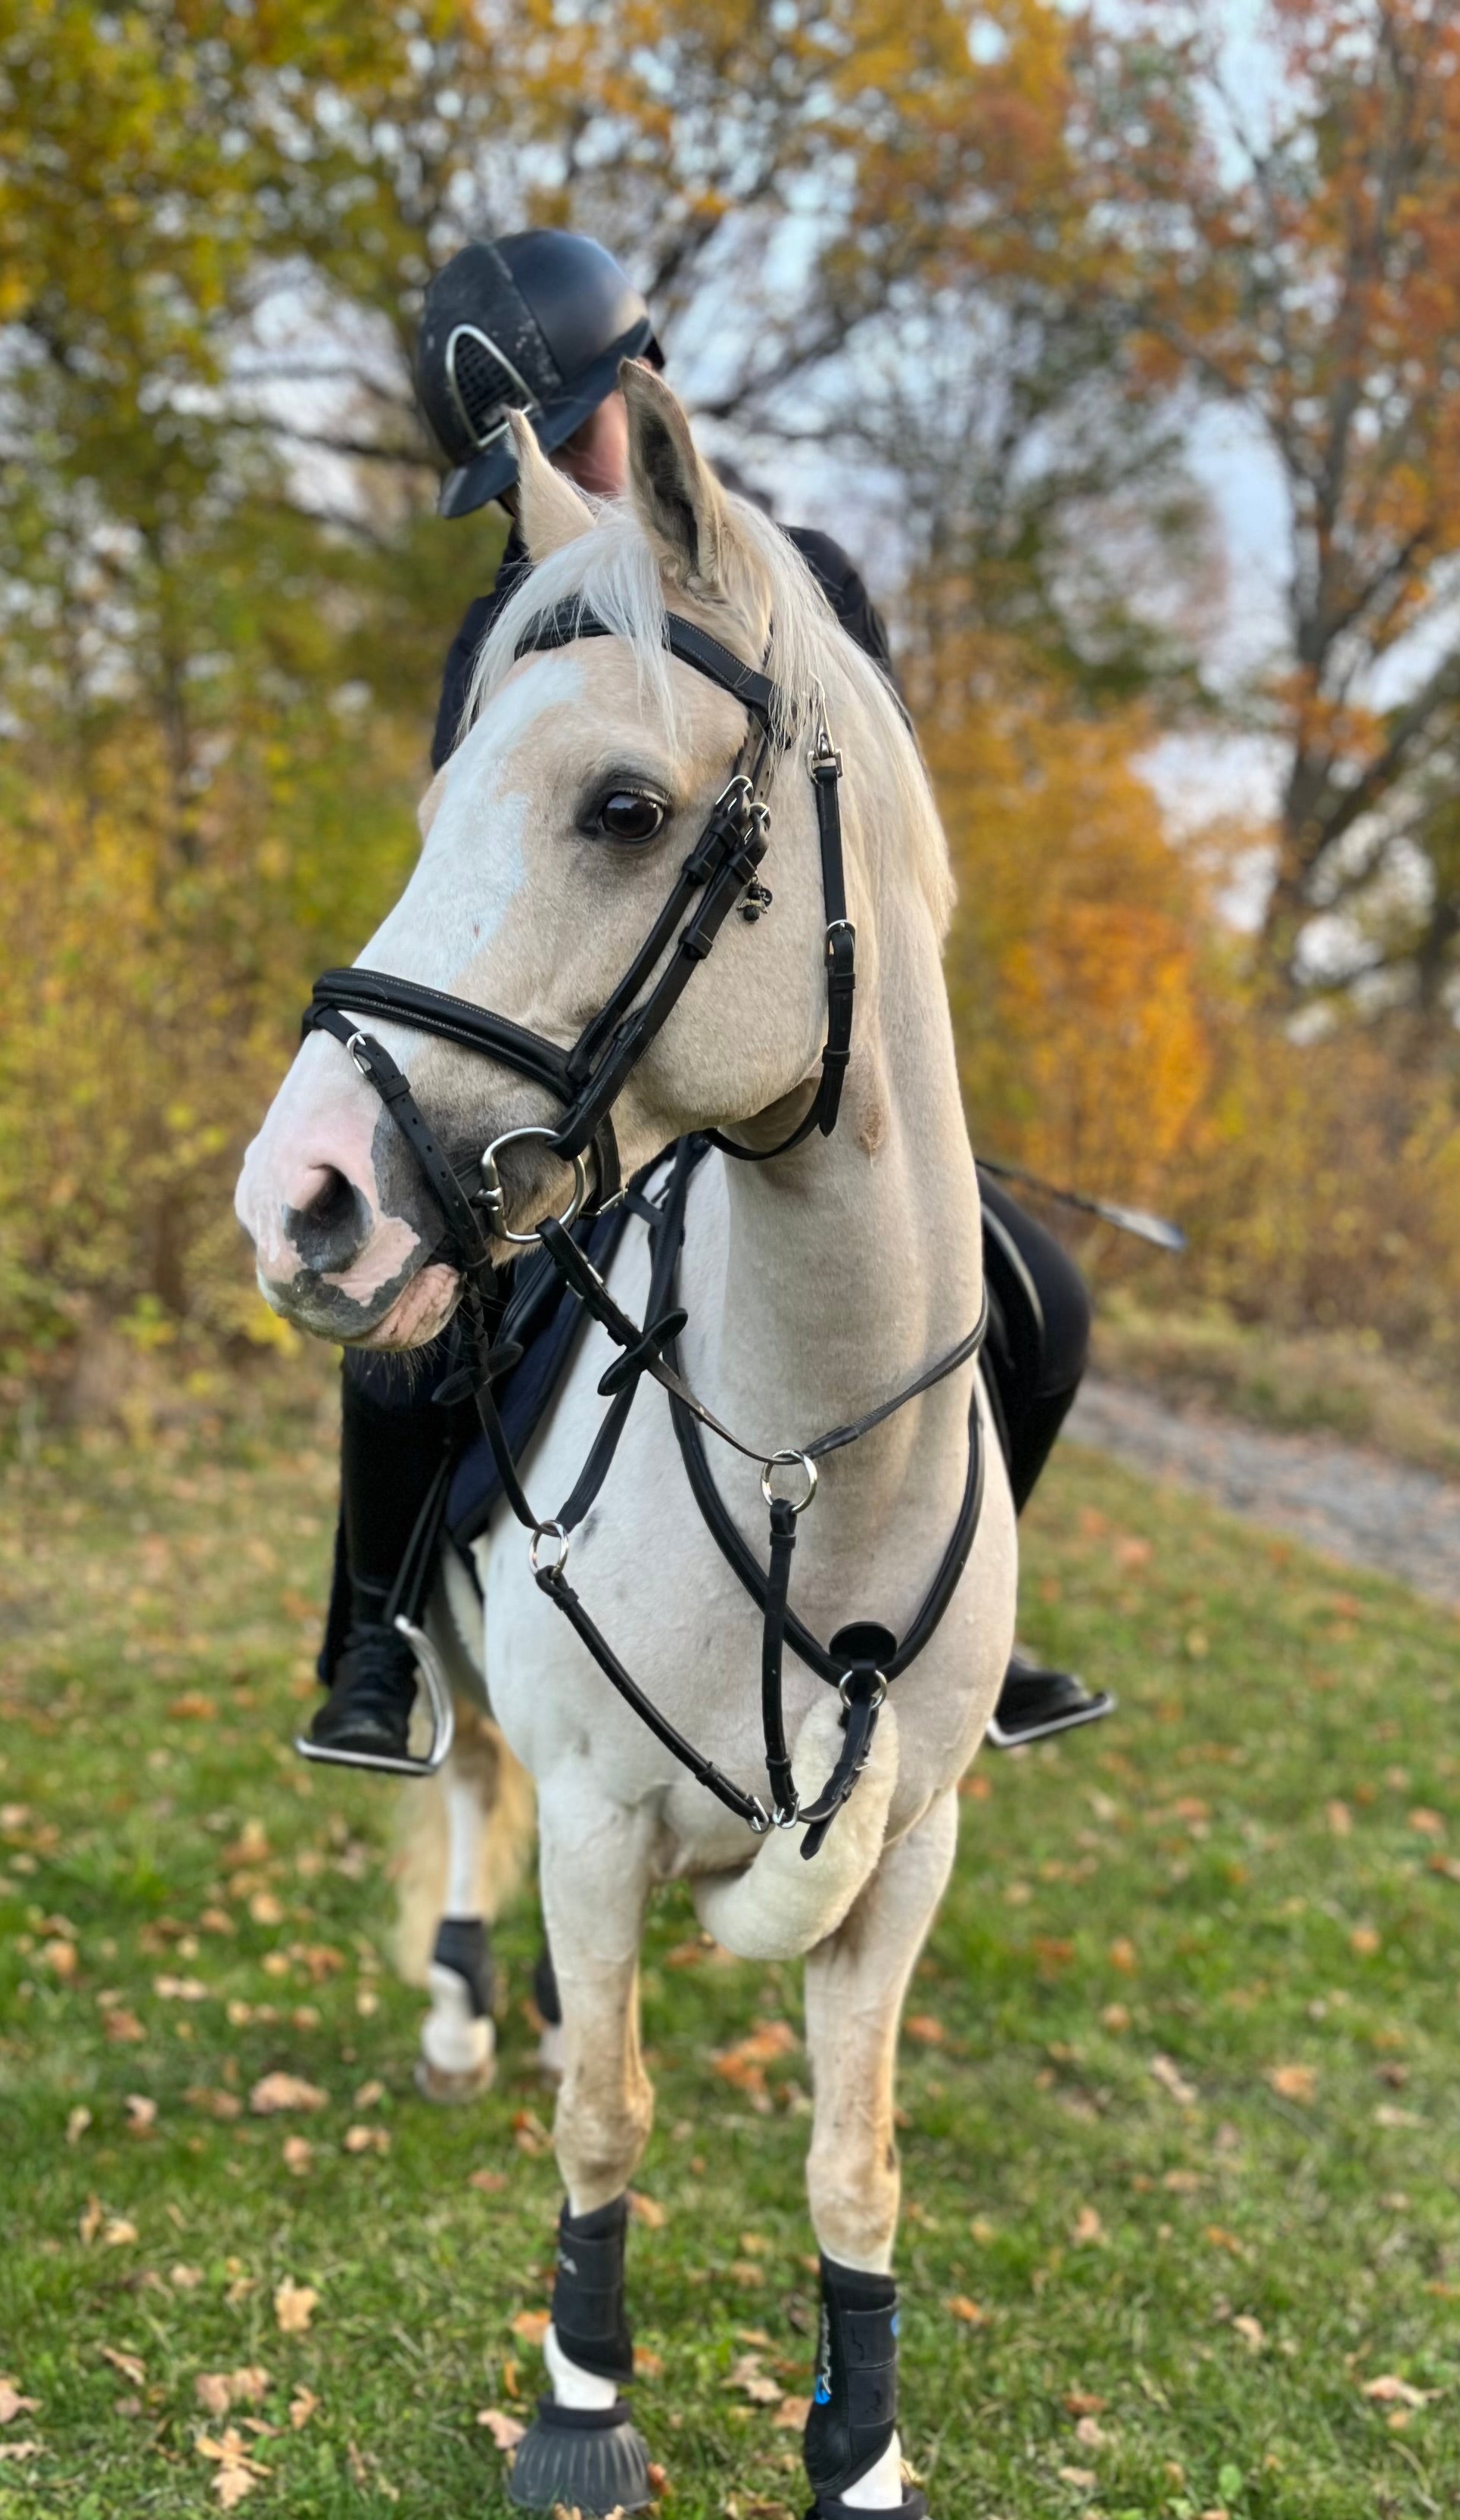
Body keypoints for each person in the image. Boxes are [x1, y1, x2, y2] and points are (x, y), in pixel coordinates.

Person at [300, 230, 1111, 1771]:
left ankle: (960, 1629)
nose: (572, 479)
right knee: (409, 1338)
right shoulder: (514, 623)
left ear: (647, 382)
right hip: (596, 1087)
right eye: (518, 473)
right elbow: (490, 883)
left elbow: (866, 857)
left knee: (1044, 1305)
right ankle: (375, 1635)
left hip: (804, 1068)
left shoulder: (813, 587)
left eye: (584, 431)